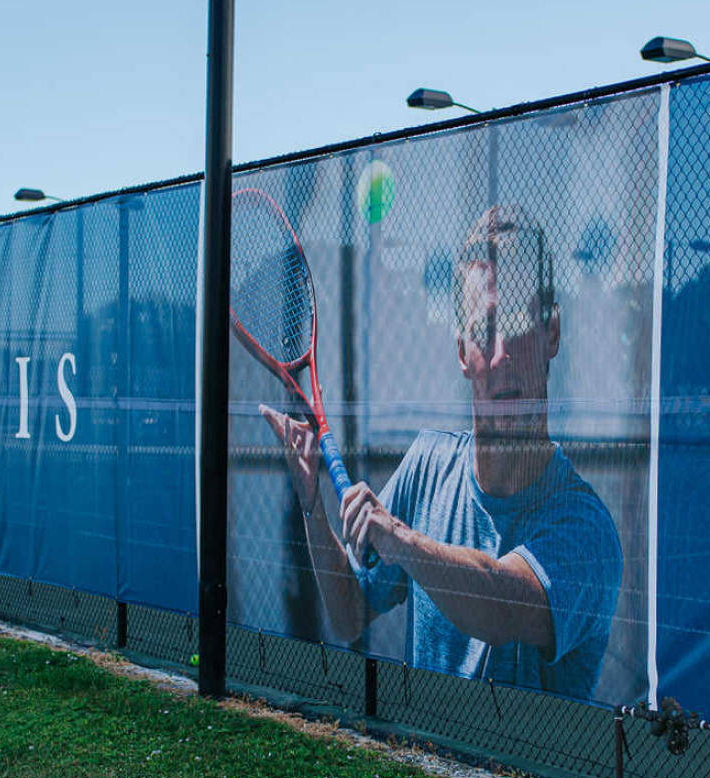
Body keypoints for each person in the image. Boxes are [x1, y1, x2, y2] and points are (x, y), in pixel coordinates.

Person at [260, 204, 624, 702]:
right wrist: (311, 504)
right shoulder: (428, 465)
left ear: (552, 332)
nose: (501, 355)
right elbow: (347, 614)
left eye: (519, 322)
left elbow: (499, 606)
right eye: (482, 331)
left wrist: (401, 540)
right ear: (461, 353)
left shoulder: (586, 528)